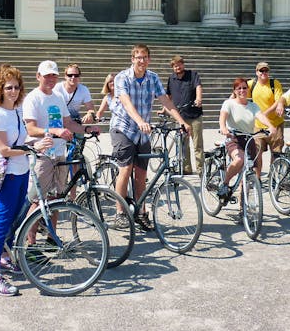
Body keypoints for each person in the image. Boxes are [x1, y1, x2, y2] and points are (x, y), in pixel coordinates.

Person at [0, 65, 52, 296]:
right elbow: (3, 149)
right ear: (0, 89)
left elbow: (22, 143)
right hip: (7, 174)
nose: (13, 91)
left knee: (16, 217)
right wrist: (30, 149)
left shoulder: (16, 111)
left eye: (16, 87)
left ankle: (4, 256)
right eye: (8, 87)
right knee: (2, 223)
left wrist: (37, 144)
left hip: (21, 172)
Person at [111, 44, 192, 231]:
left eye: (145, 57)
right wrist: (139, 120)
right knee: (126, 168)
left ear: (149, 59)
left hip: (143, 132)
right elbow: (126, 102)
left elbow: (165, 101)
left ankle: (141, 213)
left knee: (142, 174)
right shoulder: (122, 78)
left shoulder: (153, 78)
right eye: (138, 57)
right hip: (123, 128)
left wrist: (182, 121)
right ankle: (120, 213)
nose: (142, 61)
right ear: (132, 59)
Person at [22, 61, 99, 226]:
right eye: (47, 75)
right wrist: (55, 131)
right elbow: (31, 129)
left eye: (53, 75)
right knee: (37, 201)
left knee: (57, 198)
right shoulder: (33, 98)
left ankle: (52, 237)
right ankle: (31, 244)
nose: (51, 78)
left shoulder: (58, 97)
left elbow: (69, 123)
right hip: (42, 155)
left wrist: (87, 129)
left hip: (59, 153)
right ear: (38, 77)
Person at [219, 78, 277, 201]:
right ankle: (225, 183)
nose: (242, 90)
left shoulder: (253, 105)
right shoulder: (229, 103)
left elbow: (260, 116)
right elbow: (222, 117)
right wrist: (223, 128)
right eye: (238, 88)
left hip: (249, 139)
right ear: (234, 91)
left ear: (248, 89)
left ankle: (242, 208)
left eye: (244, 88)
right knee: (239, 160)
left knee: (248, 173)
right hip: (233, 138)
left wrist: (271, 126)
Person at [163, 55, 204, 175]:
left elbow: (198, 87)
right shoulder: (171, 79)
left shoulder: (192, 74)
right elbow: (168, 96)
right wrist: (164, 109)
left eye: (179, 64)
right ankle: (187, 168)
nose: (177, 67)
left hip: (194, 114)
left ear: (183, 64)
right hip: (180, 116)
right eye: (175, 66)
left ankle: (201, 169)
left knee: (197, 144)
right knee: (183, 145)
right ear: (172, 67)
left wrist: (198, 98)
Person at [248, 62, 285, 180]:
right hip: (258, 125)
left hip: (275, 124)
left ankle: (273, 178)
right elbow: (238, 92)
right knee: (257, 154)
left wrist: (265, 113)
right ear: (256, 72)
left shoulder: (275, 83)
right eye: (261, 71)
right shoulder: (251, 84)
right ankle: (257, 179)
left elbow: (278, 101)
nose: (264, 73)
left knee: (276, 152)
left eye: (266, 71)